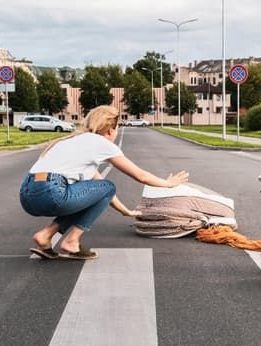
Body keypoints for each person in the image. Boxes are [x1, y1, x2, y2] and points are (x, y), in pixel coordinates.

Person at [20, 105, 189, 260]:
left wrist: (126, 211)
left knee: (94, 192)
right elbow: (140, 175)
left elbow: (99, 191)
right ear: (109, 130)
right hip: (51, 191)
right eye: (117, 130)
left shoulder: (72, 141)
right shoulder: (100, 142)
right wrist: (168, 183)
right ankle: (72, 241)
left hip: (27, 194)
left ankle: (45, 236)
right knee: (108, 186)